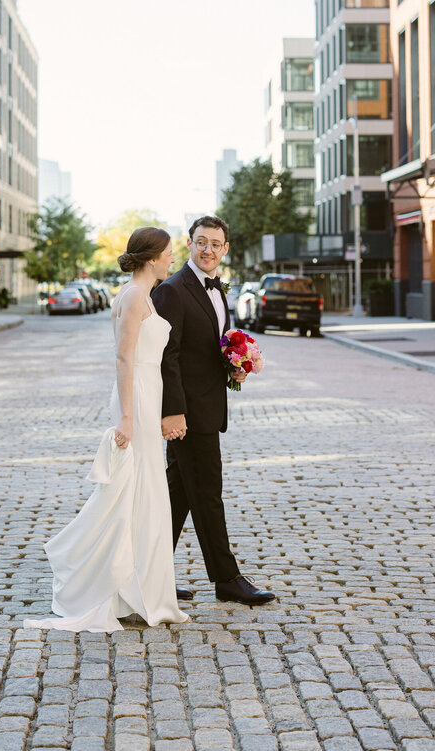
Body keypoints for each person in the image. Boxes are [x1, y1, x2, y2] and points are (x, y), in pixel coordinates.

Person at [23, 226, 189, 633]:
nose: (172, 259)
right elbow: (123, 358)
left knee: (144, 493)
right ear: (152, 258)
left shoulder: (140, 294)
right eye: (169, 253)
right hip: (138, 397)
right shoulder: (133, 296)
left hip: (147, 395)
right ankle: (128, 589)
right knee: (138, 491)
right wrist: (128, 417)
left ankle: (140, 588)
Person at [153, 215, 276, 606]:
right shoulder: (172, 290)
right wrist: (173, 412)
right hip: (188, 414)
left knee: (178, 497)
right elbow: (166, 357)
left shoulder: (218, 289)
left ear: (225, 249)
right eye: (201, 242)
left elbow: (208, 344)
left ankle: (149, 576)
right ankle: (226, 579)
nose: (208, 250)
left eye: (216, 244)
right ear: (189, 243)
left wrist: (236, 359)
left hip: (207, 406)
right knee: (208, 493)